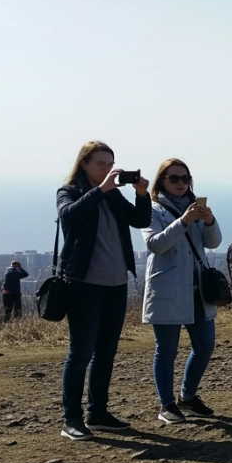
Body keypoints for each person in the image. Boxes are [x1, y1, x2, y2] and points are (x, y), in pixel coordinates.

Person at [56, 141, 151, 441]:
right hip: (83, 284)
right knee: (81, 352)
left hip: (115, 284)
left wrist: (142, 195)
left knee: (106, 352)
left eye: (111, 164)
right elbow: (69, 216)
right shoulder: (69, 191)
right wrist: (101, 190)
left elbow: (141, 220)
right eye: (101, 163)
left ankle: (97, 412)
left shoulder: (114, 195)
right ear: (84, 163)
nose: (108, 169)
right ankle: (71, 419)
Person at [141, 159, 221, 425]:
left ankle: (188, 396)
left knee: (205, 344)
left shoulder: (195, 207)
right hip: (168, 288)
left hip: (198, 290)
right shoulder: (152, 209)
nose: (180, 184)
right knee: (166, 349)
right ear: (161, 180)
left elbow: (214, 242)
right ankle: (167, 404)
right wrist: (184, 221)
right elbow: (155, 244)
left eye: (185, 179)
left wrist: (209, 222)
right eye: (174, 178)